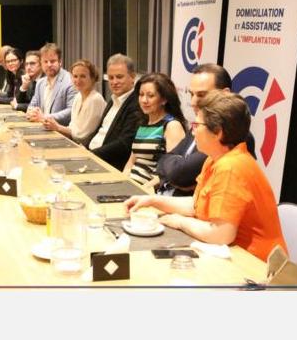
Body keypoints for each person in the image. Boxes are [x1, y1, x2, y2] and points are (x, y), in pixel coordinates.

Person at [124, 90, 287, 262]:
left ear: (217, 132)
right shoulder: (215, 159)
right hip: (232, 256)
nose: (193, 132)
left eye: (196, 125)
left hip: (255, 264)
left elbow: (220, 234)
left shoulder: (231, 167)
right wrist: (152, 200)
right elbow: (196, 205)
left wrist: (180, 222)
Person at [156, 63, 255, 195]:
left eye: (202, 95)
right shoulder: (201, 123)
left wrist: (177, 173)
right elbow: (165, 162)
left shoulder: (234, 136)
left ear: (225, 94)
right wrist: (175, 175)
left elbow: (178, 173)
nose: (193, 102)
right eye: (191, 94)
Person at [122, 73, 187, 189]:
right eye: (141, 95)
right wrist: (123, 181)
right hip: (132, 185)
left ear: (164, 99)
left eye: (150, 96)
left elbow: (171, 171)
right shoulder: (143, 124)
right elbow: (131, 161)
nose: (144, 100)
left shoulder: (172, 126)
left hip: (150, 191)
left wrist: (143, 189)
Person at [88, 54, 142, 171]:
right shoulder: (112, 100)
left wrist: (91, 155)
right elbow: (100, 131)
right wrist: (84, 148)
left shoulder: (137, 104)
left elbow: (125, 143)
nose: (114, 82)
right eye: (111, 78)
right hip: (92, 155)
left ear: (132, 77)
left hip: (109, 164)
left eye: (119, 77)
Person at [42, 58, 106, 145]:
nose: (78, 80)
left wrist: (57, 127)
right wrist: (54, 126)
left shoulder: (95, 99)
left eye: (83, 76)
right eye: (75, 76)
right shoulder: (78, 96)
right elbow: (72, 129)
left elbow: (82, 137)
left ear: (92, 78)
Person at [26, 43, 78, 125]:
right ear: (41, 63)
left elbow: (72, 111)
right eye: (45, 62)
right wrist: (31, 112)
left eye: (52, 61)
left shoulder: (70, 81)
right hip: (41, 127)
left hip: (60, 129)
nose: (49, 65)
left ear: (60, 62)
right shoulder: (40, 83)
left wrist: (44, 117)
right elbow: (32, 106)